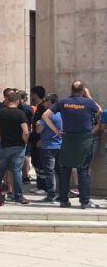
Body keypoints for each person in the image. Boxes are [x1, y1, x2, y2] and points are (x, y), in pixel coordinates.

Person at [42, 81, 102, 209]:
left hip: (68, 138)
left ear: (71, 90)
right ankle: (85, 201)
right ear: (83, 90)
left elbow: (45, 115)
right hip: (84, 140)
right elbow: (100, 111)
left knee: (65, 170)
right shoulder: (88, 102)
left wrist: (56, 131)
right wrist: (88, 96)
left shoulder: (63, 102)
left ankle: (64, 200)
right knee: (83, 170)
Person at [0, 91, 30, 205]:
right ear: (18, 101)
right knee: (17, 170)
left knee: (1, 169)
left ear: (8, 100)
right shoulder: (20, 114)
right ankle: (18, 196)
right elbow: (25, 131)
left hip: (5, 145)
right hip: (18, 145)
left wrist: (1, 139)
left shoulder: (1, 113)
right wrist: (25, 141)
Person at [35, 94, 61, 203]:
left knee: (49, 172)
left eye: (45, 101)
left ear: (50, 102)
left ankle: (51, 195)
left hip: (48, 146)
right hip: (60, 145)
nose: (43, 103)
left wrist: (37, 124)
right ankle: (62, 193)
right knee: (60, 171)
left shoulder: (46, 115)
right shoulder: (62, 114)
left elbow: (38, 130)